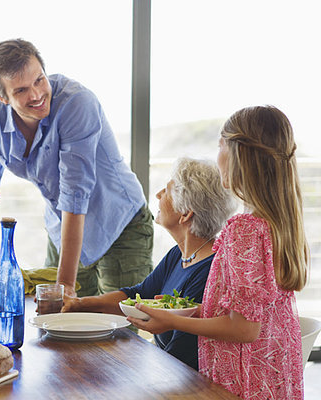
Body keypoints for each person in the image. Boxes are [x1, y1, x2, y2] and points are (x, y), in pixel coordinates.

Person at [0, 38, 153, 297]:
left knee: (117, 329)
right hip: (63, 229)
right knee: (57, 327)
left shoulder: (77, 103)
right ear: (3, 97)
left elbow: (74, 193)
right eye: (20, 90)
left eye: (39, 80)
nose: (36, 95)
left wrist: (64, 285)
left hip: (119, 225)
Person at [128, 105, 308, 399]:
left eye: (220, 146)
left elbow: (244, 330)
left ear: (240, 156)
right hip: (274, 376)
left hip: (243, 381)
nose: (217, 156)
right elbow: (253, 314)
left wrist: (171, 320)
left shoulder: (245, 229)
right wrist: (196, 311)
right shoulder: (278, 222)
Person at [62, 157, 235, 369]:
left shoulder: (209, 270)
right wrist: (80, 304)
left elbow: (180, 356)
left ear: (185, 213)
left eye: (167, 190)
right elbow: (139, 294)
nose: (158, 195)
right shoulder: (179, 255)